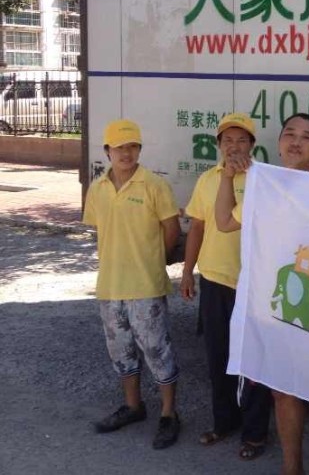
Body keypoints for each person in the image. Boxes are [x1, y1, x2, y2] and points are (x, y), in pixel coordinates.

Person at [214, 113, 309, 475]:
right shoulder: (265, 185)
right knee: (283, 390)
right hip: (279, 306)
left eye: (306, 136)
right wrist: (228, 176)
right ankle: (291, 466)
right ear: (280, 141)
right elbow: (224, 222)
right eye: (290, 134)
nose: (296, 142)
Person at [83, 119, 182, 449]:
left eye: (132, 147)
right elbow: (100, 230)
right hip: (110, 286)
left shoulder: (154, 185)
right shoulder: (98, 188)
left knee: (157, 350)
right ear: (107, 151)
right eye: (119, 147)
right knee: (121, 351)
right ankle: (133, 406)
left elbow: (171, 230)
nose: (126, 153)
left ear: (139, 150)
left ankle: (169, 414)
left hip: (145, 286)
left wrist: (154, 262)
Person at [180, 112, 271, 460]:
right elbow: (198, 228)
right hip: (214, 281)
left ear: (252, 145)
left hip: (252, 284)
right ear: (218, 145)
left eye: (242, 140)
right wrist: (187, 272)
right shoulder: (207, 179)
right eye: (228, 140)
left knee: (252, 363)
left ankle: (255, 434)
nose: (234, 146)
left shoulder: (263, 179)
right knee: (217, 357)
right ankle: (224, 422)